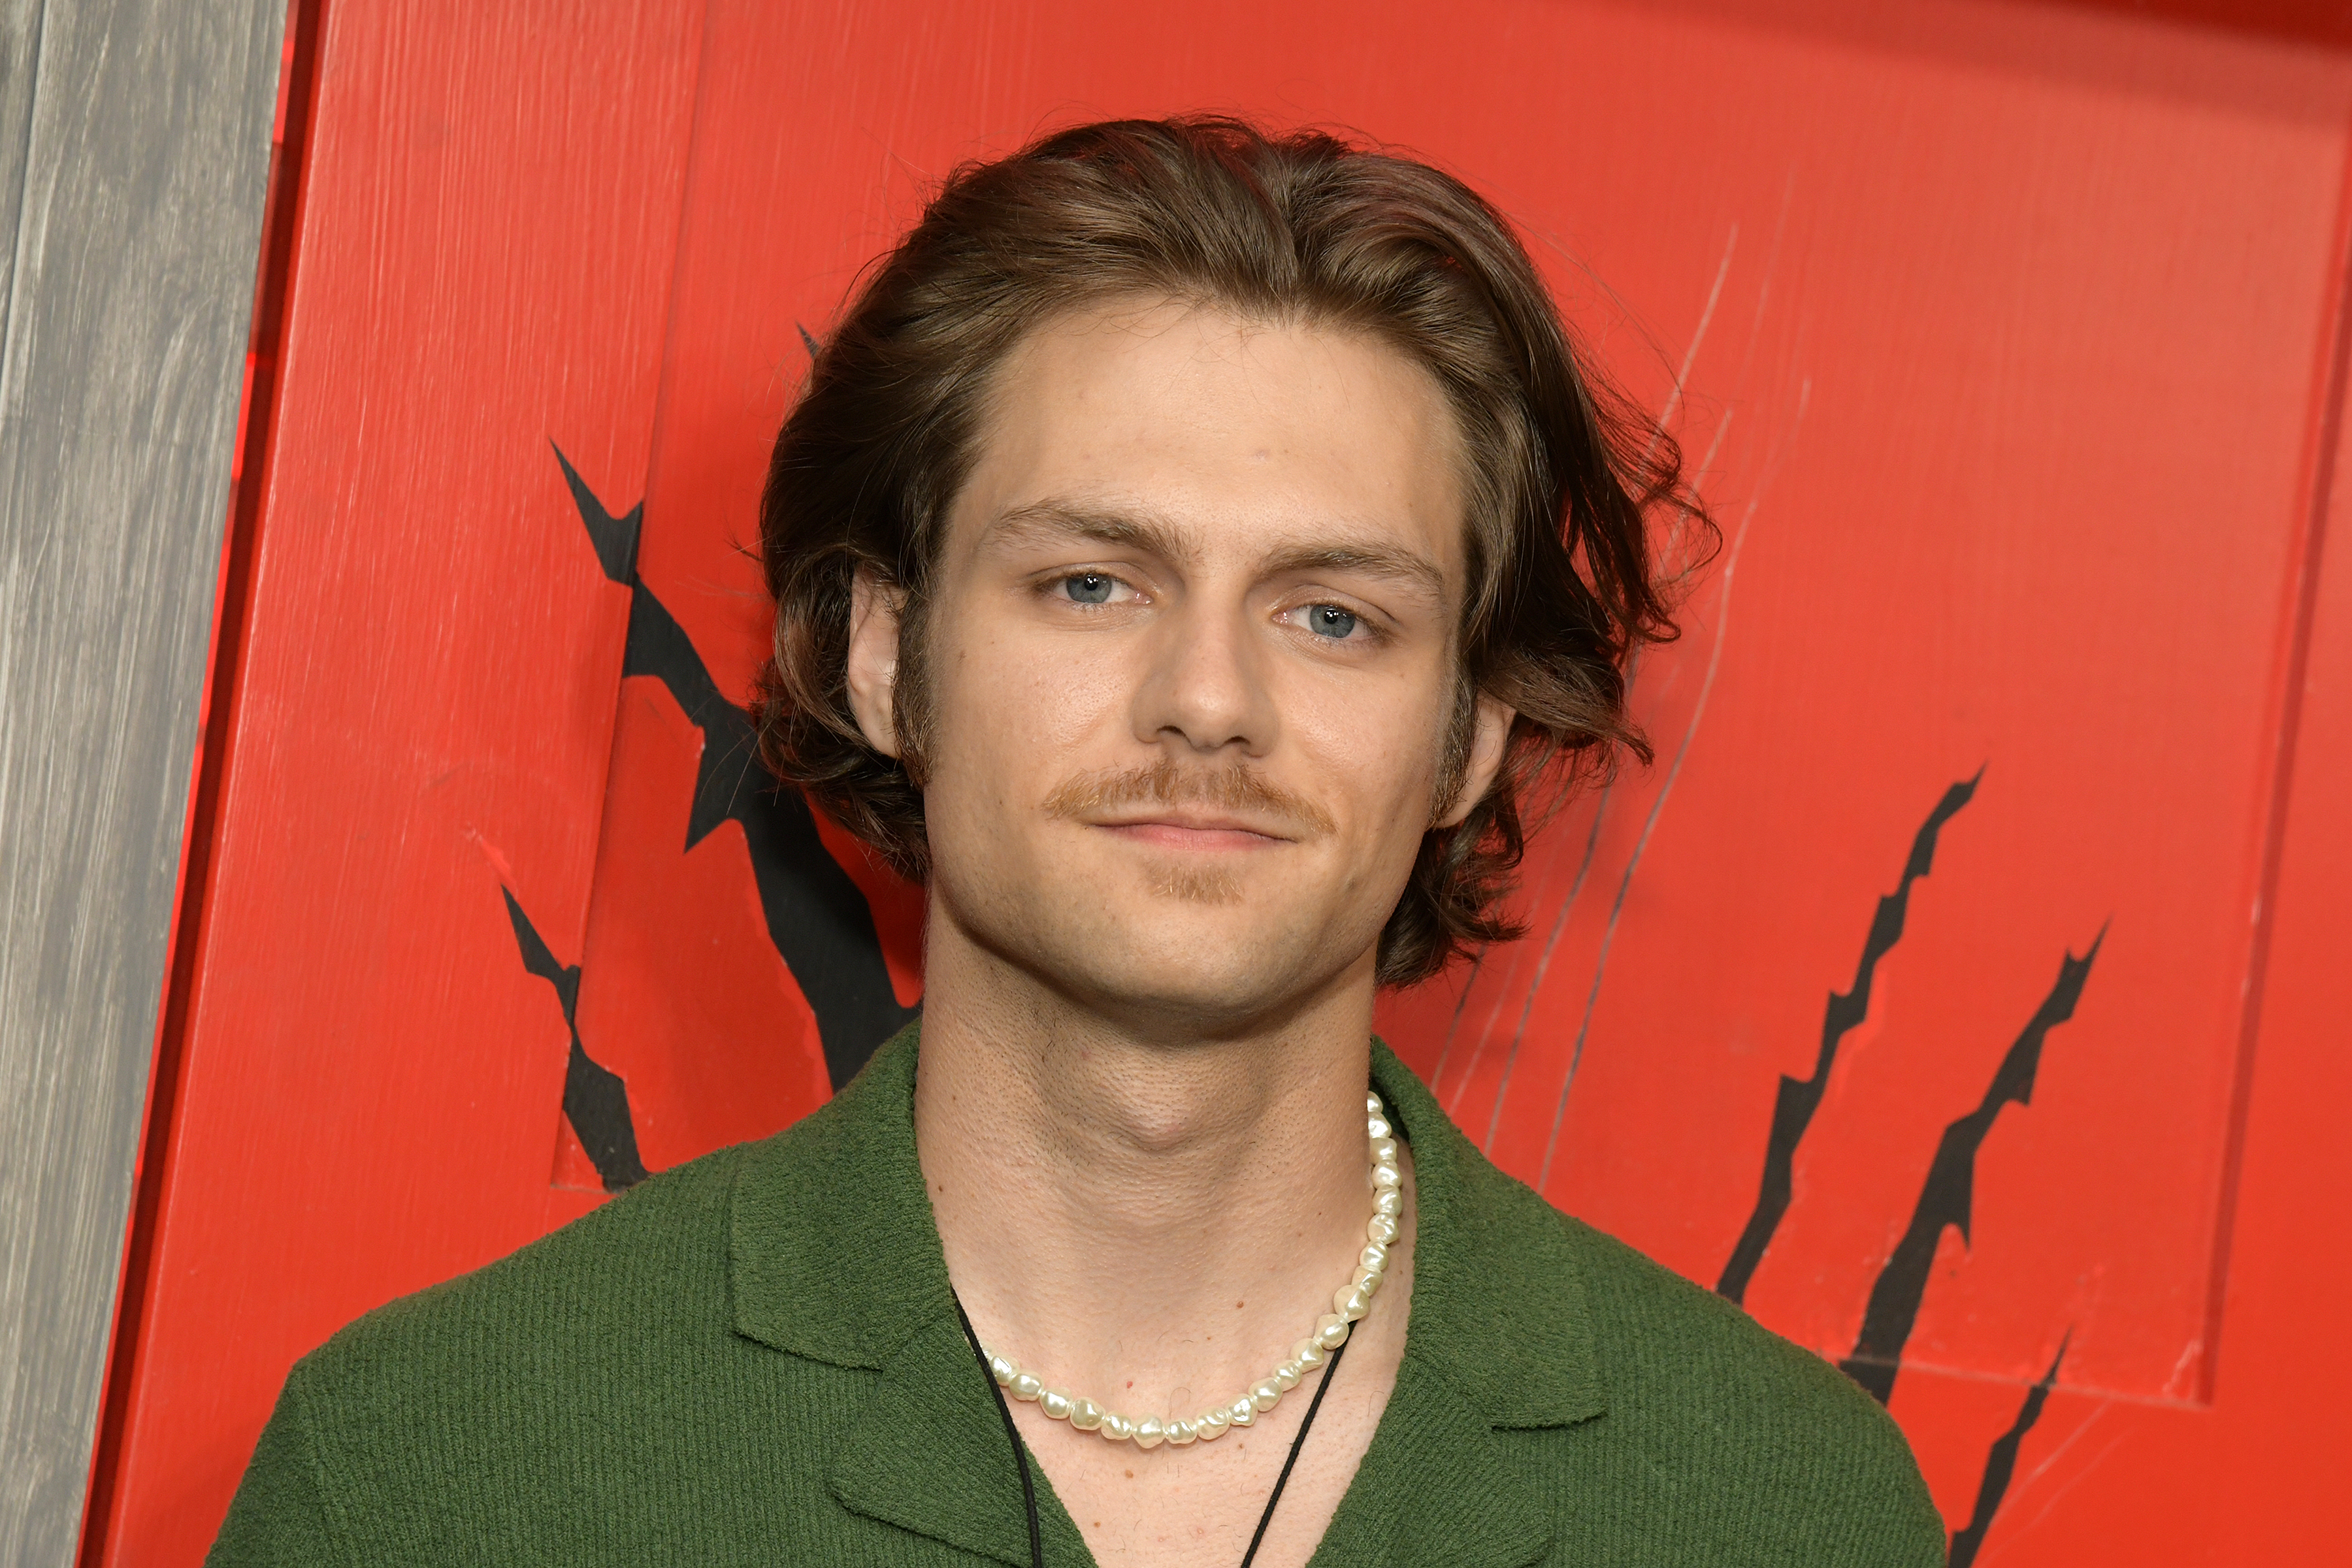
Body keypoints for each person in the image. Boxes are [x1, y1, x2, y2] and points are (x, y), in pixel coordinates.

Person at [210, 117, 1944, 1567]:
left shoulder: (1781, 1514)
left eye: (1333, 616)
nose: (1210, 700)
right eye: (1090, 583)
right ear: (888, 659)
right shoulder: (439, 1475)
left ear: (1467, 736)